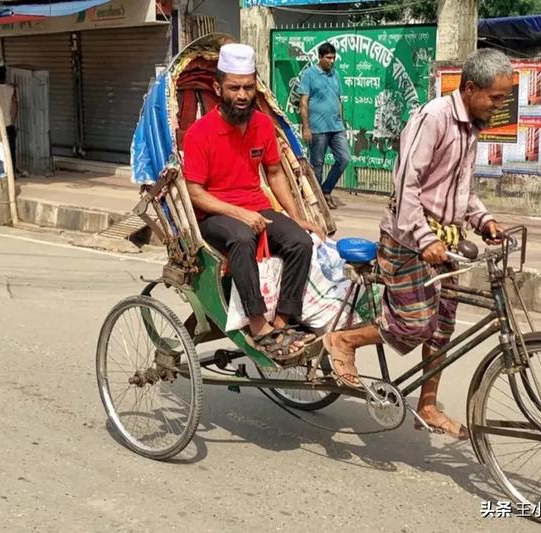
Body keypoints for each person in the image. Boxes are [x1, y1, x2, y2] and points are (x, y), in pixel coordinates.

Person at [324, 49, 512, 440]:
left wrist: (483, 219)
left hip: (447, 242)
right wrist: (424, 237)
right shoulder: (435, 118)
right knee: (414, 325)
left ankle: (427, 407)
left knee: (442, 329)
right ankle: (344, 339)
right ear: (471, 88)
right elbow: (407, 184)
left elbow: (460, 188)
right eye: (495, 97)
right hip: (407, 239)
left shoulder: (471, 126)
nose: (500, 105)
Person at [183, 43, 325, 362]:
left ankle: (283, 321)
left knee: (300, 241)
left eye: (248, 87)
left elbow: (274, 173)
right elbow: (195, 193)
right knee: (242, 237)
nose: (243, 95)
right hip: (215, 214)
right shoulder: (199, 133)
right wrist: (240, 213)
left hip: (256, 206)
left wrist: (295, 215)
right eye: (234, 88)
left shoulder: (262, 124)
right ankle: (258, 325)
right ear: (219, 88)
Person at [298, 42, 350, 210]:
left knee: (343, 159)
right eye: (328, 58)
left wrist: (342, 121)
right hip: (317, 128)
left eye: (334, 58)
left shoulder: (336, 74)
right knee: (317, 165)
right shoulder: (309, 74)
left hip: (336, 127)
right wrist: (306, 127)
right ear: (320, 57)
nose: (332, 61)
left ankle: (326, 190)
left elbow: (338, 99)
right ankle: (317, 200)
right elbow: (303, 102)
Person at [0, 66, 18, 173]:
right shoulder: (11, 89)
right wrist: (13, 122)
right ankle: (12, 172)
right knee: (11, 151)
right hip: (8, 124)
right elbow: (14, 107)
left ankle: (1, 173)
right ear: (5, 76)